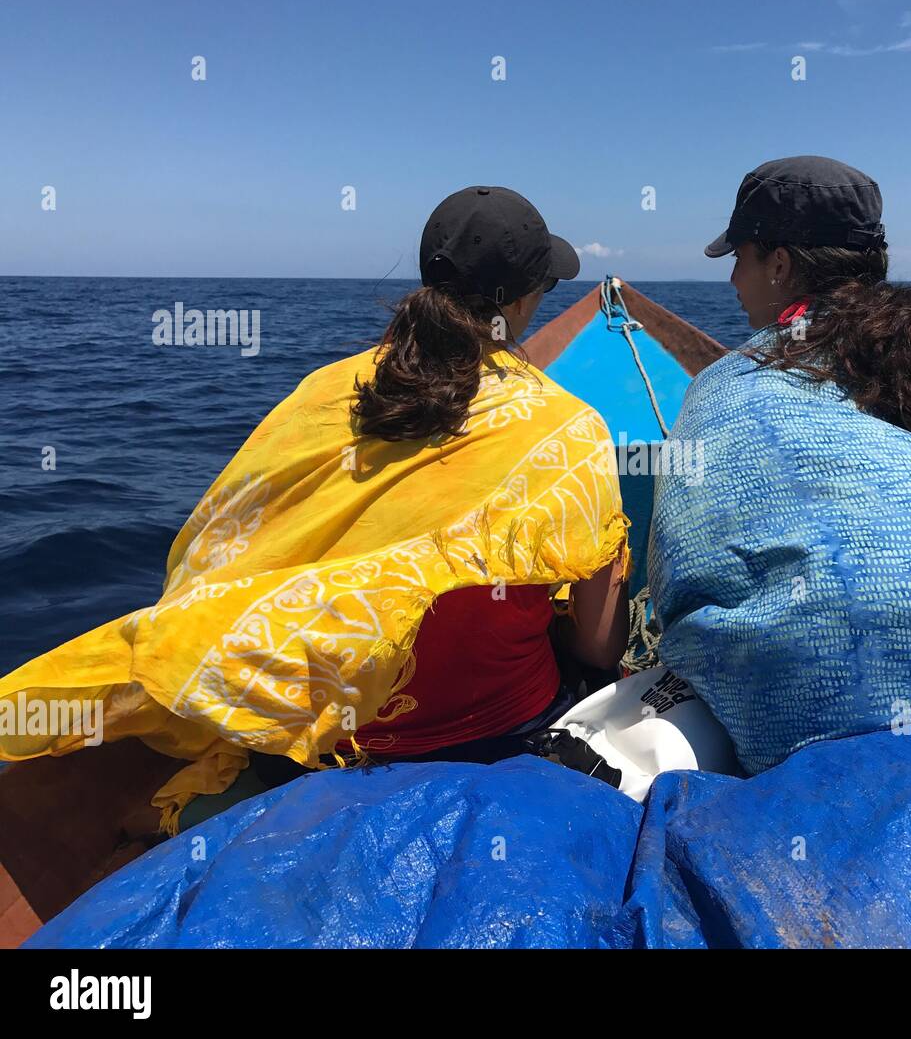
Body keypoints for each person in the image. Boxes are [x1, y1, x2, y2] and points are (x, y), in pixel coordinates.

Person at [0, 186, 629, 830]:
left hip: (311, 749)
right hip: (493, 736)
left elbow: (225, 541)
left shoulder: (320, 394)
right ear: (523, 302)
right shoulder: (570, 431)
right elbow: (601, 645)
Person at [649, 156, 911, 776]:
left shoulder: (719, 386)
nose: (733, 279)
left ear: (781, 264)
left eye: (739, 257)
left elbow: (676, 576)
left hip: (771, 721)